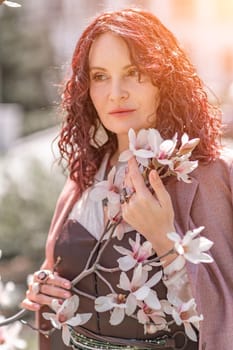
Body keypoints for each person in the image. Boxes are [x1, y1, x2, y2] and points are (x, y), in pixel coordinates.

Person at [21, 7, 233, 350]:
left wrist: (164, 241)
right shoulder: (85, 177)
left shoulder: (211, 174)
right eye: (100, 76)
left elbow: (222, 317)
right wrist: (43, 287)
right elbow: (57, 273)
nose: (115, 92)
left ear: (164, 78)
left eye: (133, 72)